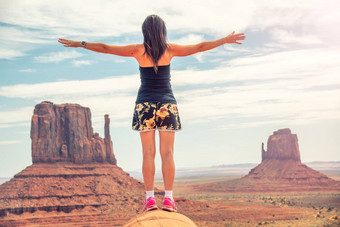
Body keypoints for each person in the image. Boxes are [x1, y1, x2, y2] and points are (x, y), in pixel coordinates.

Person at [58, 14, 245, 213]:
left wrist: (81, 43)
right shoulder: (170, 50)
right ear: (162, 31)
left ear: (144, 31)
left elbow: (105, 48)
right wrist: (224, 40)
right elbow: (199, 47)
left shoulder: (138, 51)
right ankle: (168, 199)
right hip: (166, 104)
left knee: (148, 153)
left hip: (144, 105)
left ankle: (149, 200)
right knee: (167, 153)